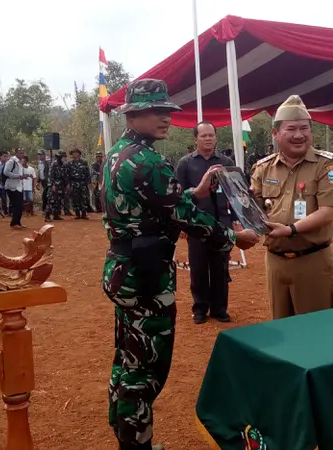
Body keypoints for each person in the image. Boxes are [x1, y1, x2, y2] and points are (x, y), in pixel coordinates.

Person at [102, 79, 258, 450]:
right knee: (146, 369)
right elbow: (185, 217)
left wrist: (194, 192)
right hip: (146, 277)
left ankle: (126, 433)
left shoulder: (117, 154)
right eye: (156, 112)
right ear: (134, 114)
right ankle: (137, 443)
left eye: (167, 111)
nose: (166, 119)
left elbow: (155, 203)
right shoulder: (149, 161)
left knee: (127, 356)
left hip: (124, 271)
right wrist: (233, 239)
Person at [250, 94, 333, 320]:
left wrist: (291, 230)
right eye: (291, 129)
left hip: (312, 261)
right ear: (276, 134)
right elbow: (255, 207)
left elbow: (326, 211)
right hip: (275, 261)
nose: (299, 135)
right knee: (281, 326)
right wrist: (243, 216)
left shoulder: (326, 165)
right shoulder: (263, 168)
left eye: (304, 129)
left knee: (315, 330)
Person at [176, 121, 237, 324]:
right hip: (196, 223)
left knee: (220, 268)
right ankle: (200, 308)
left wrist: (235, 220)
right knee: (199, 268)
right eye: (204, 136)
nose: (208, 138)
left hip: (222, 222)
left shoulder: (226, 162)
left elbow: (235, 194)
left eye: (211, 135)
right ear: (196, 139)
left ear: (216, 137)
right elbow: (179, 196)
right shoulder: (185, 163)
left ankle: (220, 309)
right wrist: (183, 225)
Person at [3, 149, 27, 229]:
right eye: (20, 153)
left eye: (23, 153)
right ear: (16, 153)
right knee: (16, 205)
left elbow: (19, 173)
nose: (22, 154)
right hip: (11, 186)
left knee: (20, 205)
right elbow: (5, 172)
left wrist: (24, 175)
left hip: (19, 186)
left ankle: (18, 222)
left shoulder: (20, 163)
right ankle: (13, 223)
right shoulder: (11, 161)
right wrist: (18, 176)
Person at [68, 148, 91, 219]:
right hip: (74, 183)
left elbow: (87, 173)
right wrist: (69, 184)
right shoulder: (70, 163)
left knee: (84, 198)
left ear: (79, 154)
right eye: (73, 153)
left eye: (76, 153)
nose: (74, 154)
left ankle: (84, 214)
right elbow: (68, 174)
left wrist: (89, 183)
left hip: (83, 183)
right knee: (75, 199)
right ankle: (77, 214)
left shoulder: (84, 162)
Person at [45, 150, 68, 222]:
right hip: (54, 185)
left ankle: (56, 215)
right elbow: (50, 176)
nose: (64, 158)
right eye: (63, 157)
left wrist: (67, 184)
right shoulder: (53, 164)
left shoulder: (63, 165)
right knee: (51, 201)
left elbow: (65, 176)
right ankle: (47, 216)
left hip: (61, 185)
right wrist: (52, 185)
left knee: (58, 201)